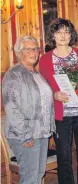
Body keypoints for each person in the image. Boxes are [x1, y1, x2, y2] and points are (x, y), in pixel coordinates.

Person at [39, 18, 78, 184]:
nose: (63, 35)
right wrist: (54, 95)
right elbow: (43, 86)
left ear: (71, 35)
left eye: (66, 32)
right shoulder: (45, 59)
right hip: (60, 116)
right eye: (59, 32)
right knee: (64, 158)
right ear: (53, 35)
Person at [2, 35, 56, 184]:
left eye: (35, 49)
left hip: (41, 132)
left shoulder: (36, 73)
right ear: (19, 53)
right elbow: (12, 108)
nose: (33, 52)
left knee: (38, 174)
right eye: (28, 49)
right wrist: (25, 136)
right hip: (26, 134)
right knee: (30, 178)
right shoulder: (14, 75)